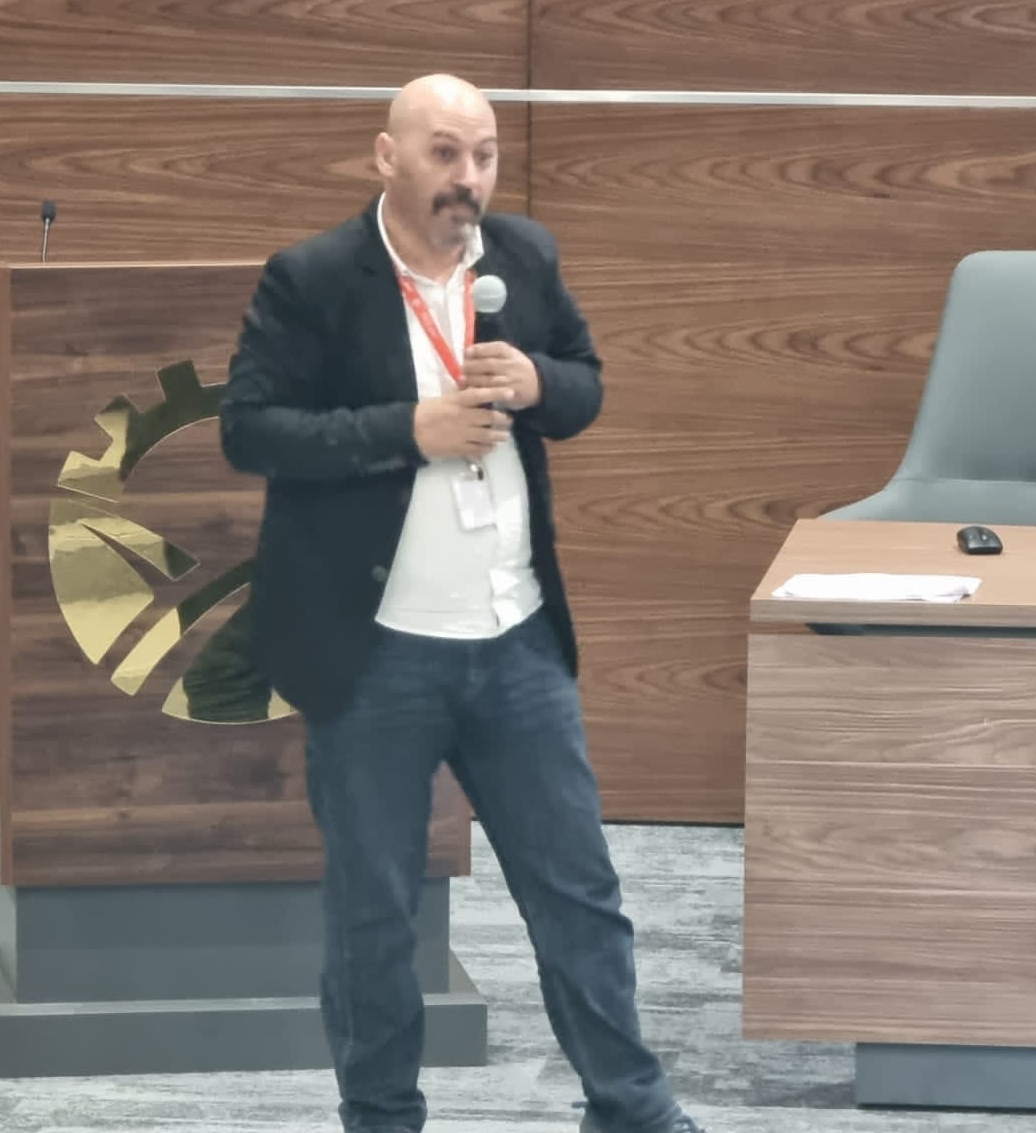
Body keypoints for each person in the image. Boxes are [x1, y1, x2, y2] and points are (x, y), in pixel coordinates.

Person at [218, 73, 708, 1133]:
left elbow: (584, 383)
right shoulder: (313, 278)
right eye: (444, 153)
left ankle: (632, 1109)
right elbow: (249, 431)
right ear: (386, 156)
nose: (468, 177)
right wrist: (410, 429)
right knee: (375, 916)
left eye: (483, 154)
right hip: (376, 652)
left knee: (579, 893)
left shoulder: (521, 257)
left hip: (515, 639)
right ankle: (382, 1117)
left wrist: (538, 383)